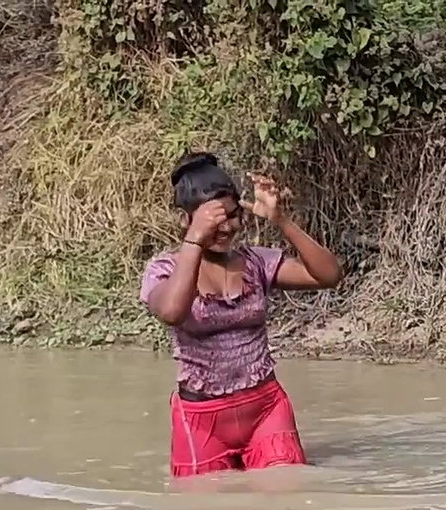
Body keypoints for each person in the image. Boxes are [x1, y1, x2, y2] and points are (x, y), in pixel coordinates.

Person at [140, 152, 343, 478]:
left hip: (265, 409)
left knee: (286, 494)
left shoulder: (255, 262)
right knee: (205, 506)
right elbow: (172, 312)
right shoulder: (164, 270)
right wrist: (194, 239)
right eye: (213, 219)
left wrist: (281, 220)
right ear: (184, 219)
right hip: (201, 419)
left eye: (233, 216)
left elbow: (328, 275)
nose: (226, 227)